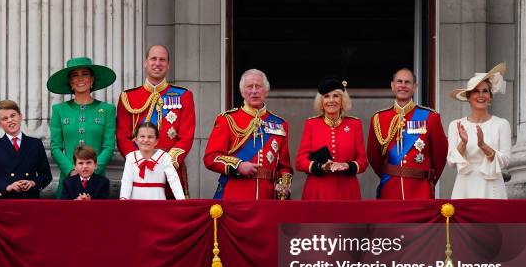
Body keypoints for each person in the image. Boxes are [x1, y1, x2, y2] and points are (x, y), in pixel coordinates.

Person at [116, 44, 195, 198]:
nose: (157, 63)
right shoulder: (128, 97)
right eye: (153, 59)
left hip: (170, 170)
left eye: (162, 60)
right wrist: (139, 160)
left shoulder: (184, 96)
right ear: (145, 62)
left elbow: (186, 136)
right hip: (138, 171)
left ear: (168, 65)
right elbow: (122, 136)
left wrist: (165, 163)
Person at [203, 69, 293, 200]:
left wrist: (284, 185)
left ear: (266, 91)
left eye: (259, 86)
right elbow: (211, 158)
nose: (254, 91)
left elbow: (285, 167)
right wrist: (238, 166)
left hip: (266, 198)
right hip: (234, 196)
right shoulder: (227, 119)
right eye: (250, 86)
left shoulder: (280, 124)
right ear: (242, 92)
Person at [367, 68, 447, 199]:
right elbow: (373, 156)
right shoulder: (379, 118)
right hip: (390, 189)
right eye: (399, 81)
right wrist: (390, 174)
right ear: (392, 86)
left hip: (420, 190)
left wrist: (428, 180)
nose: (403, 85)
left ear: (414, 87)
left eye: (407, 82)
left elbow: (440, 155)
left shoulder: (431, 117)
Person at [48, 57, 117, 197]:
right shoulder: (59, 110)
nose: (80, 78)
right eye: (75, 75)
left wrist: (93, 170)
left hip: (97, 181)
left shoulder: (107, 109)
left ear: (92, 80)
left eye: (85, 74)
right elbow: (55, 147)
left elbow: (109, 146)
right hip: (68, 180)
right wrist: (71, 170)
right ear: (70, 83)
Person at [296, 77, 368, 200]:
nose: (331, 100)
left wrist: (348, 165)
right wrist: (320, 167)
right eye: (326, 96)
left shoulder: (354, 124)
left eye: (336, 96)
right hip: (317, 191)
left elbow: (363, 161)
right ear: (321, 102)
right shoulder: (312, 124)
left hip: (347, 191)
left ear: (342, 101)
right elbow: (300, 162)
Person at [448, 62, 511, 199]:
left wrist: (483, 145)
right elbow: (451, 162)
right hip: (464, 186)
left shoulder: (501, 124)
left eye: (485, 91)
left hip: (492, 186)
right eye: (476, 91)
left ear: (490, 97)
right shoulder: (456, 125)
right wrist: (463, 143)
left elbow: (505, 161)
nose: (481, 95)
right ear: (468, 98)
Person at [0, 100, 52, 198]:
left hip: (29, 200)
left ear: (20, 116)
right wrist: (7, 187)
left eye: (13, 115)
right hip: (4, 201)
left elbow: (46, 175)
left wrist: (33, 183)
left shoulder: (35, 144)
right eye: (5, 118)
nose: (10, 120)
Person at [119, 122, 185, 200]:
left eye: (150, 137)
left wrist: (181, 200)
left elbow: (174, 180)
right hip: (135, 203)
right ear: (136, 140)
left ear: (156, 141)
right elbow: (126, 181)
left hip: (158, 202)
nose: (146, 140)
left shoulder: (164, 157)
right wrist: (123, 199)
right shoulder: (131, 157)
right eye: (142, 136)